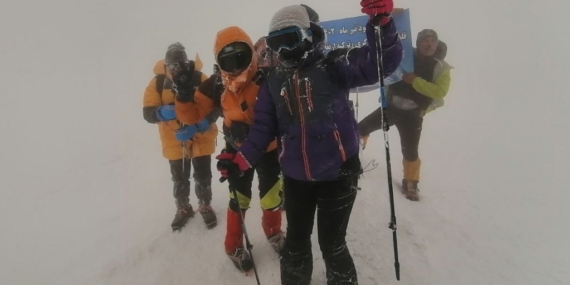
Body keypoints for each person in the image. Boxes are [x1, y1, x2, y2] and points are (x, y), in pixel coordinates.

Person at [215, 1, 402, 284]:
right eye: (277, 44)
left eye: (290, 40)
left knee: (332, 245)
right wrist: (241, 160)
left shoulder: (334, 65)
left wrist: (382, 24)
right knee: (296, 245)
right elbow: (263, 129)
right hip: (296, 178)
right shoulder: (274, 81)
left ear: (307, 34)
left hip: (338, 174)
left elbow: (379, 63)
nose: (284, 51)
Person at [174, 27, 285, 272]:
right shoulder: (216, 84)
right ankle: (232, 246)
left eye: (240, 57)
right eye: (227, 60)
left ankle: (274, 233)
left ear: (251, 54)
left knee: (272, 195)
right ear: (218, 62)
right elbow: (192, 115)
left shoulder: (267, 77)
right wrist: (182, 94)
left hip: (268, 149)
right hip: (236, 150)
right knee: (239, 198)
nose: (235, 67)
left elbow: (283, 115)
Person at [358, 29, 452, 201]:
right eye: (425, 40)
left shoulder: (441, 67)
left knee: (410, 150)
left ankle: (411, 182)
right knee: (361, 128)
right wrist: (390, 19)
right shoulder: (406, 54)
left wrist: (414, 81)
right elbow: (389, 45)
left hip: (413, 114)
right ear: (418, 42)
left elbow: (439, 91)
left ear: (437, 44)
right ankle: (355, 156)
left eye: (432, 41)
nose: (429, 44)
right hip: (392, 108)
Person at [142, 42, 219, 231]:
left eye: (180, 64)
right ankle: (183, 208)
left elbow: (217, 106)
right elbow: (147, 112)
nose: (176, 69)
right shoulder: (158, 83)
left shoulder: (200, 78)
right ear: (166, 65)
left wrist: (203, 123)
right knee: (179, 178)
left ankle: (205, 204)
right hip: (174, 140)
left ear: (187, 62)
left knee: (203, 174)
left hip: (201, 137)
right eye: (172, 65)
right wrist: (160, 112)